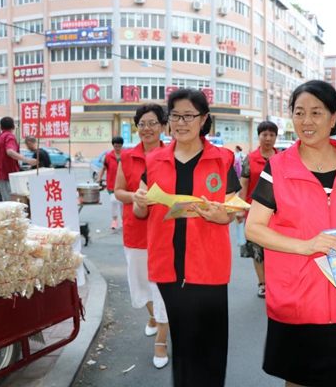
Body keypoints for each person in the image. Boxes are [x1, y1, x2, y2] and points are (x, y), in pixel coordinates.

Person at [245, 80, 336, 387]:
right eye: (299, 113)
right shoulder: (278, 168)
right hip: (294, 299)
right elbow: (254, 227)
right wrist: (305, 246)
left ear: (335, 116)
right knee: (297, 380)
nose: (306, 121)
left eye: (316, 112)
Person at [133, 88, 240, 387]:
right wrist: (140, 204)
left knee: (212, 344)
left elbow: (233, 207)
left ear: (203, 119)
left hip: (210, 267)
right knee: (184, 341)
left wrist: (224, 215)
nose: (181, 122)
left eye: (189, 116)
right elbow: (141, 213)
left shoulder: (222, 159)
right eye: (176, 116)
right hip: (169, 268)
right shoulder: (154, 160)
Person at [114, 104, 170, 369]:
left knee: (162, 287)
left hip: (165, 232)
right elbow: (118, 191)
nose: (147, 129)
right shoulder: (126, 156)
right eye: (142, 124)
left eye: (152, 123)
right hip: (135, 232)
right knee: (140, 285)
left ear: (162, 126)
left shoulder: (172, 154)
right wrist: (134, 196)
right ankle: (153, 316)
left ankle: (161, 339)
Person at [236, 120, 279, 298]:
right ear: (259, 136)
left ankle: (276, 283)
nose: (268, 138)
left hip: (278, 213)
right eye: (264, 135)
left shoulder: (281, 159)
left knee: (276, 249)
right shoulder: (250, 159)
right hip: (254, 211)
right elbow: (243, 185)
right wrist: (239, 209)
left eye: (271, 135)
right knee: (257, 250)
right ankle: (262, 283)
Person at [0, 117, 37, 201]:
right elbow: (10, 152)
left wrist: (1, 157)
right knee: (13, 202)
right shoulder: (10, 137)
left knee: (6, 201)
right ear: (13, 127)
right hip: (10, 175)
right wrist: (28, 160)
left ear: (1, 127)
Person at [97, 136, 124, 229]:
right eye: (116, 146)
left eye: (119, 146)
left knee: (122, 203)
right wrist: (99, 178)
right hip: (112, 183)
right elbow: (103, 168)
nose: (117, 148)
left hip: (123, 184)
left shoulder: (125, 155)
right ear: (113, 146)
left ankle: (123, 220)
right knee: (113, 201)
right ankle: (115, 220)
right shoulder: (108, 156)